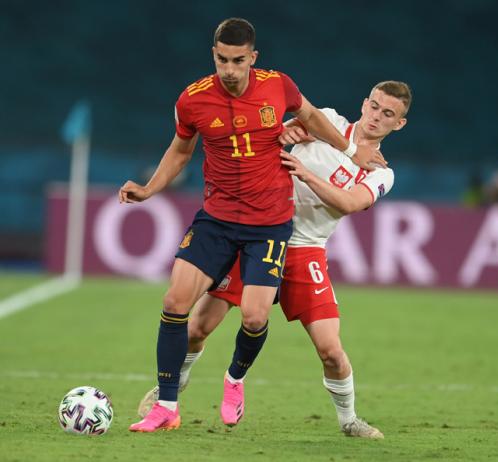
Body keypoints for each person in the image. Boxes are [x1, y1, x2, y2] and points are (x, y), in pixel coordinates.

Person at [120, 18, 385, 433]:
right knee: (178, 306)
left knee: (258, 319)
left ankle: (236, 380)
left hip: (272, 228)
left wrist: (351, 152)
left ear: (253, 58)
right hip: (218, 220)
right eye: (223, 60)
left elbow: (310, 116)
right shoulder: (192, 100)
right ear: (214, 55)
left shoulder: (278, 86)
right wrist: (150, 189)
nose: (230, 69)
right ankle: (167, 403)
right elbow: (181, 150)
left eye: (238, 61)